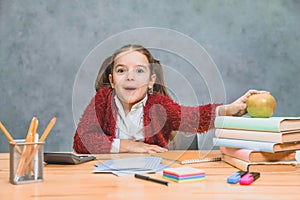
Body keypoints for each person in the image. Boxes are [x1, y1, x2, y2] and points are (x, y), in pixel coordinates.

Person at [73, 44, 267, 154]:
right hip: (107, 181)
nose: (130, 76)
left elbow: (193, 117)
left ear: (151, 81)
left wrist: (230, 109)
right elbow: (82, 142)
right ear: (112, 81)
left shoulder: (159, 105)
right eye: (121, 70)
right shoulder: (103, 100)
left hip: (151, 177)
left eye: (139, 71)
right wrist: (130, 146)